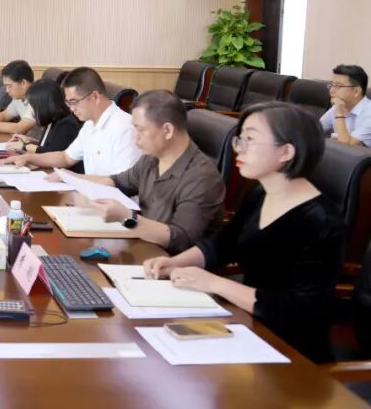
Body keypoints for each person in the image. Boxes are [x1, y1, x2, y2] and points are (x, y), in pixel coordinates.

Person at [144, 102, 344, 363]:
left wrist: (214, 283)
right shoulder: (261, 194)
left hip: (290, 351)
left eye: (251, 139)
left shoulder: (321, 221)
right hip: (247, 324)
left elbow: (300, 310)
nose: (239, 148)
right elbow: (223, 244)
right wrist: (175, 262)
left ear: (286, 151)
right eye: (240, 139)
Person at [63, 90, 225, 254]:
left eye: (140, 130)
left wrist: (127, 217)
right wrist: (68, 177)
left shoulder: (202, 177)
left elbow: (180, 239)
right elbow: (117, 181)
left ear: (167, 130)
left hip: (174, 263)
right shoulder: (151, 159)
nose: (136, 139)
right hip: (144, 248)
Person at [9, 67, 140, 175]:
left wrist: (72, 178)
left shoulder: (124, 128)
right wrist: (28, 157)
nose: (71, 109)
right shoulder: (89, 124)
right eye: (68, 102)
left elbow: (122, 183)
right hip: (89, 192)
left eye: (74, 102)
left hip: (109, 197)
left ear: (94, 96)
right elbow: (66, 157)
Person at [0, 78, 81, 160]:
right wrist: (29, 141)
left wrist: (25, 146)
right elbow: (50, 145)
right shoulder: (53, 119)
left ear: (43, 105)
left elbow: (52, 154)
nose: (32, 110)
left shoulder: (66, 124)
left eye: (34, 106)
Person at [321, 64, 371, 147]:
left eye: (338, 86)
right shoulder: (339, 105)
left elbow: (346, 148)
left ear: (356, 91)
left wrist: (339, 114)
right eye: (331, 85)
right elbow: (315, 129)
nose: (331, 90)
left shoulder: (369, 113)